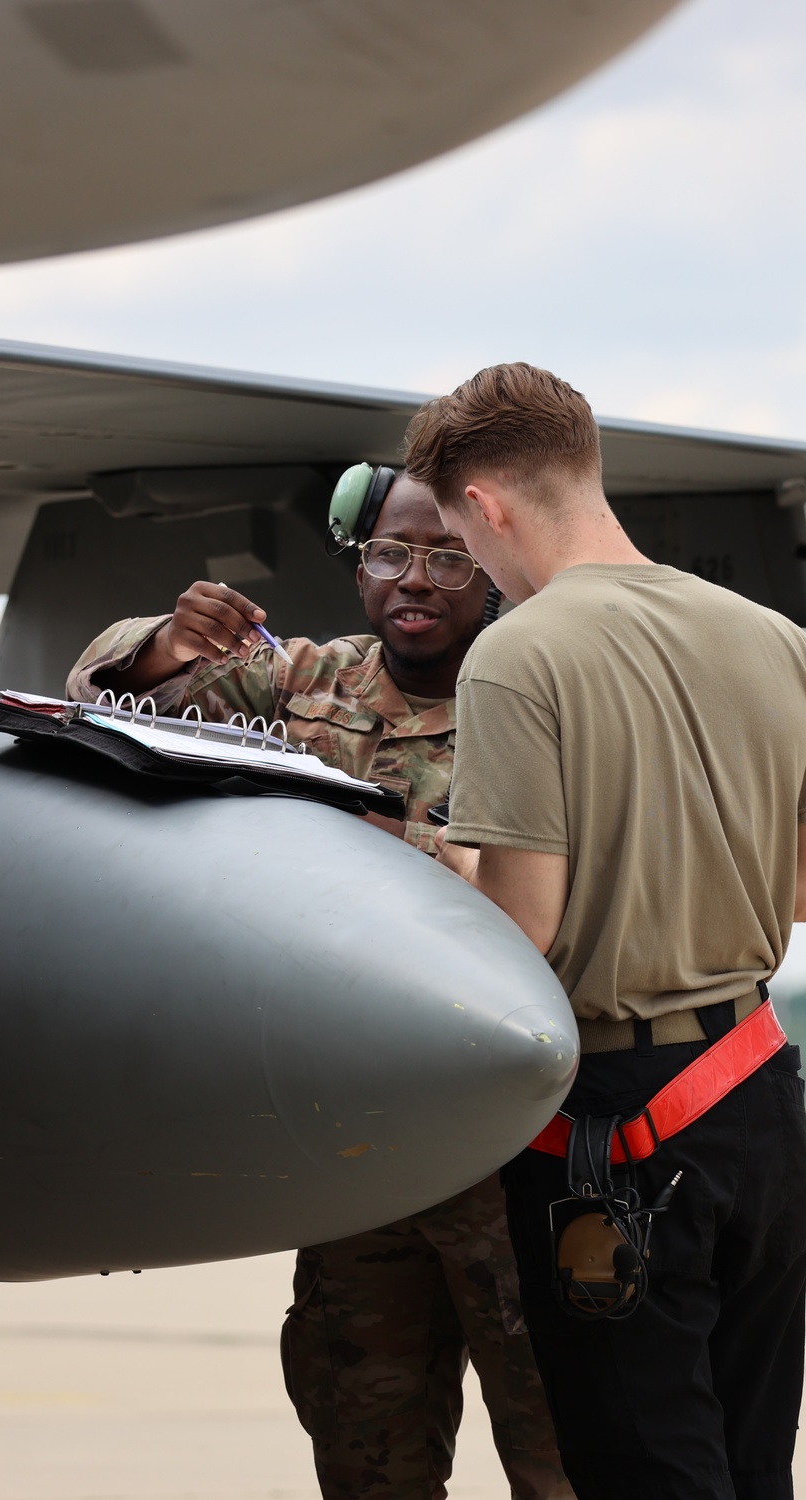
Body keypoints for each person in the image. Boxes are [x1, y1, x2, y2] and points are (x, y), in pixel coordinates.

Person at [66, 470, 574, 1500]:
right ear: (358, 556)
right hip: (358, 1154)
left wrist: (392, 847)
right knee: (363, 1446)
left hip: (515, 1162)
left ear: (495, 569)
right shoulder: (307, 680)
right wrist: (171, 641)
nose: (413, 582)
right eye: (390, 555)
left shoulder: (540, 705)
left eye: (447, 558)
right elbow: (98, 694)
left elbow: (564, 886)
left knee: (558, 1450)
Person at [404, 361, 806, 1500]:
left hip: (619, 1128)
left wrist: (433, 853)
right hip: (760, 1103)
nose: (470, 566)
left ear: (485, 504)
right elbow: (799, 888)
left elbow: (520, 931)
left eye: (456, 536)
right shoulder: (772, 635)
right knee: (750, 1463)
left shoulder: (522, 653)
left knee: (646, 1472)